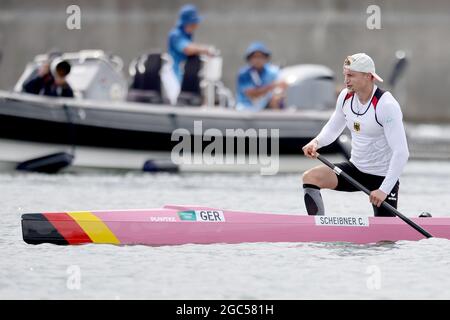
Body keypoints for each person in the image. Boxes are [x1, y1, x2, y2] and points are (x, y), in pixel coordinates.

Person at [301, 53, 409, 217]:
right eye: (345, 75)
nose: (346, 80)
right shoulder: (345, 97)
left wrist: (383, 190)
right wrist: (316, 143)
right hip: (355, 171)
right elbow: (333, 128)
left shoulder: (386, 105)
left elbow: (401, 152)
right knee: (311, 177)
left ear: (368, 76)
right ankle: (317, 226)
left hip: (382, 178)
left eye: (351, 75)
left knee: (385, 240)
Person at [167, 4, 216, 83]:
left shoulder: (188, 35)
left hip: (185, 75)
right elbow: (187, 49)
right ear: (188, 23)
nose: (196, 26)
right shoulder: (175, 34)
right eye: (194, 23)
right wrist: (205, 49)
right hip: (174, 76)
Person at [236, 42, 287, 111]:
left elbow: (282, 85)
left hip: (265, 106)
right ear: (249, 59)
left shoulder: (272, 72)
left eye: (261, 57)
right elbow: (251, 94)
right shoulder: (244, 74)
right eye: (255, 57)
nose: (258, 60)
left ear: (266, 58)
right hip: (246, 108)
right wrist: (272, 86)